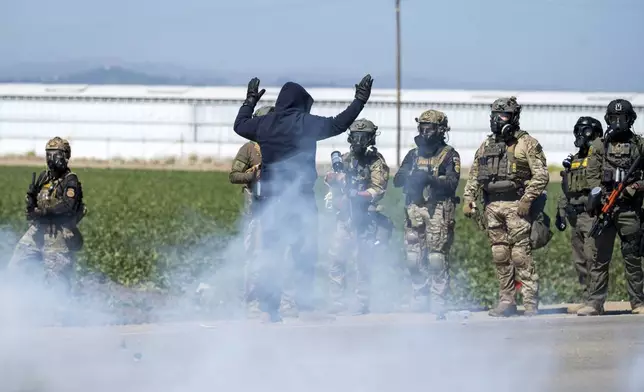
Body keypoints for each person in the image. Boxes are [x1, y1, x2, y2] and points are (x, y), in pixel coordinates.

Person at [232, 74, 373, 322]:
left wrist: (250, 100)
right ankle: (297, 304)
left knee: (271, 251)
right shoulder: (303, 123)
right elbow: (338, 124)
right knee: (302, 251)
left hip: (270, 200)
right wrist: (359, 101)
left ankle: (269, 307)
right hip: (299, 200)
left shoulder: (264, 123)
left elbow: (240, 125)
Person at [462, 97, 549, 317]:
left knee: (520, 255)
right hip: (492, 207)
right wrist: (468, 199)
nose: (496, 120)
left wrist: (527, 199)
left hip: (517, 205)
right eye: (494, 115)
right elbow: (474, 176)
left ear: (513, 117)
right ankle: (507, 300)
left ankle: (530, 304)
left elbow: (541, 175)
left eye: (502, 115)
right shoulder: (486, 146)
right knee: (500, 254)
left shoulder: (526, 143)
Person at [392, 109, 460, 318]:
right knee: (413, 257)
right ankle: (419, 297)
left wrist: (430, 180)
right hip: (414, 209)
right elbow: (397, 179)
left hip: (437, 209)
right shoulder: (413, 155)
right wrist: (411, 177)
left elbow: (451, 183)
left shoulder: (449, 155)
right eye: (421, 127)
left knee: (436, 257)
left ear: (440, 130)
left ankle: (439, 300)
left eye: (428, 128)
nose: (424, 132)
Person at [582, 99, 644, 316]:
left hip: (629, 211)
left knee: (633, 258)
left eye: (623, 118)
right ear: (608, 119)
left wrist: (634, 187)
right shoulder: (599, 145)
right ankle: (595, 303)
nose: (618, 123)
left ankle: (638, 303)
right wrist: (600, 196)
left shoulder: (639, 145)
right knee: (599, 259)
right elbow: (591, 176)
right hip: (605, 210)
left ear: (630, 120)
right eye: (614, 118)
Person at [323, 119, 391, 315]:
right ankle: (337, 301)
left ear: (370, 138)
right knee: (337, 257)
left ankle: (361, 301)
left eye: (363, 137)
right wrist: (333, 179)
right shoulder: (344, 160)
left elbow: (379, 189)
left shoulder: (376, 162)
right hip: (344, 218)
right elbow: (330, 180)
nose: (358, 141)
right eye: (356, 136)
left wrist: (358, 195)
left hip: (365, 218)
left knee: (362, 260)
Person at [7, 137, 87, 298]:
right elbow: (34, 199)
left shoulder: (70, 181)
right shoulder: (45, 177)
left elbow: (68, 206)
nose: (51, 159)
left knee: (57, 279)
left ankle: (59, 315)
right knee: (16, 266)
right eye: (48, 154)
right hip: (38, 229)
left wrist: (45, 212)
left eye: (55, 154)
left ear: (65, 156)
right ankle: (19, 303)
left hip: (58, 233)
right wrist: (30, 203)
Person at [555, 116, 608, 314]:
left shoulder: (600, 159)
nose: (579, 135)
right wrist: (560, 213)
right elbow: (566, 190)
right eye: (577, 130)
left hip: (592, 214)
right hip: (574, 216)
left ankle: (596, 302)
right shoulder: (575, 160)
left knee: (593, 258)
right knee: (580, 261)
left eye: (584, 131)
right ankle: (587, 299)